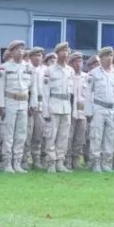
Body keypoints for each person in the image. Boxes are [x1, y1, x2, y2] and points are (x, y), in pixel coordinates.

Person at [0, 40, 36, 173]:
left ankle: (17, 162)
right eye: (17, 49)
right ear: (11, 51)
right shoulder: (4, 67)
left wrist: (33, 104)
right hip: (10, 102)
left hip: (24, 103)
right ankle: (7, 162)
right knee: (8, 134)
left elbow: (33, 88)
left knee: (21, 134)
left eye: (22, 49)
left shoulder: (28, 68)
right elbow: (0, 88)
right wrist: (0, 106)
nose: (20, 51)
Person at [39, 42, 76, 173]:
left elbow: (73, 94)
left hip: (66, 106)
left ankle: (60, 161)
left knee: (64, 136)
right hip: (53, 105)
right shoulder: (49, 70)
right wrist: (45, 111)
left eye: (67, 51)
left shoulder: (70, 70)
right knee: (51, 136)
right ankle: (51, 162)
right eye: (62, 51)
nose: (65, 54)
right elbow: (45, 92)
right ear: (57, 53)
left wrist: (73, 110)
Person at [86, 47, 114, 173]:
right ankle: (95, 162)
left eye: (111, 55)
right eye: (106, 55)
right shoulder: (94, 73)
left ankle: (107, 163)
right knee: (96, 136)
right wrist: (88, 112)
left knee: (110, 137)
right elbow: (88, 93)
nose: (109, 58)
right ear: (100, 58)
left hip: (112, 109)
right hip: (98, 107)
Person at [67, 52, 90, 171]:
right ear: (70, 63)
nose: (78, 63)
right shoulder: (68, 75)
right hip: (70, 110)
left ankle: (76, 159)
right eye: (75, 61)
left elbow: (90, 95)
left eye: (80, 61)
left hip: (83, 111)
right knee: (68, 136)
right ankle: (67, 159)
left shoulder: (87, 77)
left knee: (80, 137)